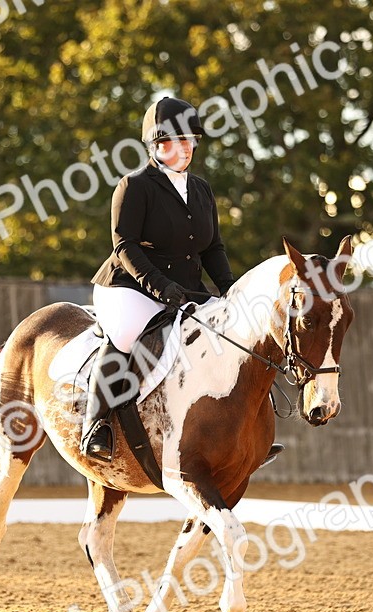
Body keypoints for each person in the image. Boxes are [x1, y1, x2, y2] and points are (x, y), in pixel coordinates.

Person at [83, 96, 236, 462]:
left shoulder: (201, 190)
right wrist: (159, 286)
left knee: (229, 334)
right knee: (126, 333)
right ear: (155, 144)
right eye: (174, 140)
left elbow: (212, 247)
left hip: (184, 289)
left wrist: (230, 290)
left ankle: (238, 430)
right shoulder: (135, 186)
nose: (185, 148)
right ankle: (96, 424)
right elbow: (125, 245)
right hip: (129, 285)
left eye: (189, 140)